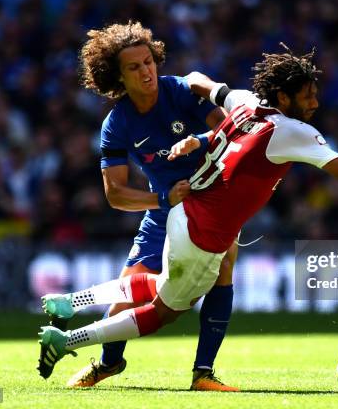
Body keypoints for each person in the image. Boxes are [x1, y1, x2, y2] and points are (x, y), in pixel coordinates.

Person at [37, 45, 338, 382]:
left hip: (188, 209)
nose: (315, 102)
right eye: (307, 94)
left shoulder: (245, 102)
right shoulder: (294, 131)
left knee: (163, 285)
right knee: (167, 309)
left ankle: (71, 302)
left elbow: (208, 83)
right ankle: (70, 337)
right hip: (202, 229)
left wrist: (197, 136)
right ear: (285, 98)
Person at [36, 21, 239, 392]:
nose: (146, 71)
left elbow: (229, 135)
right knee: (126, 295)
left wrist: (198, 142)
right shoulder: (117, 124)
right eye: (134, 67)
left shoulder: (181, 92)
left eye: (148, 62)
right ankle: (108, 363)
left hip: (211, 202)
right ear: (117, 76)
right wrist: (163, 199)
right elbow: (115, 193)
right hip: (162, 211)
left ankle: (203, 374)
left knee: (224, 267)